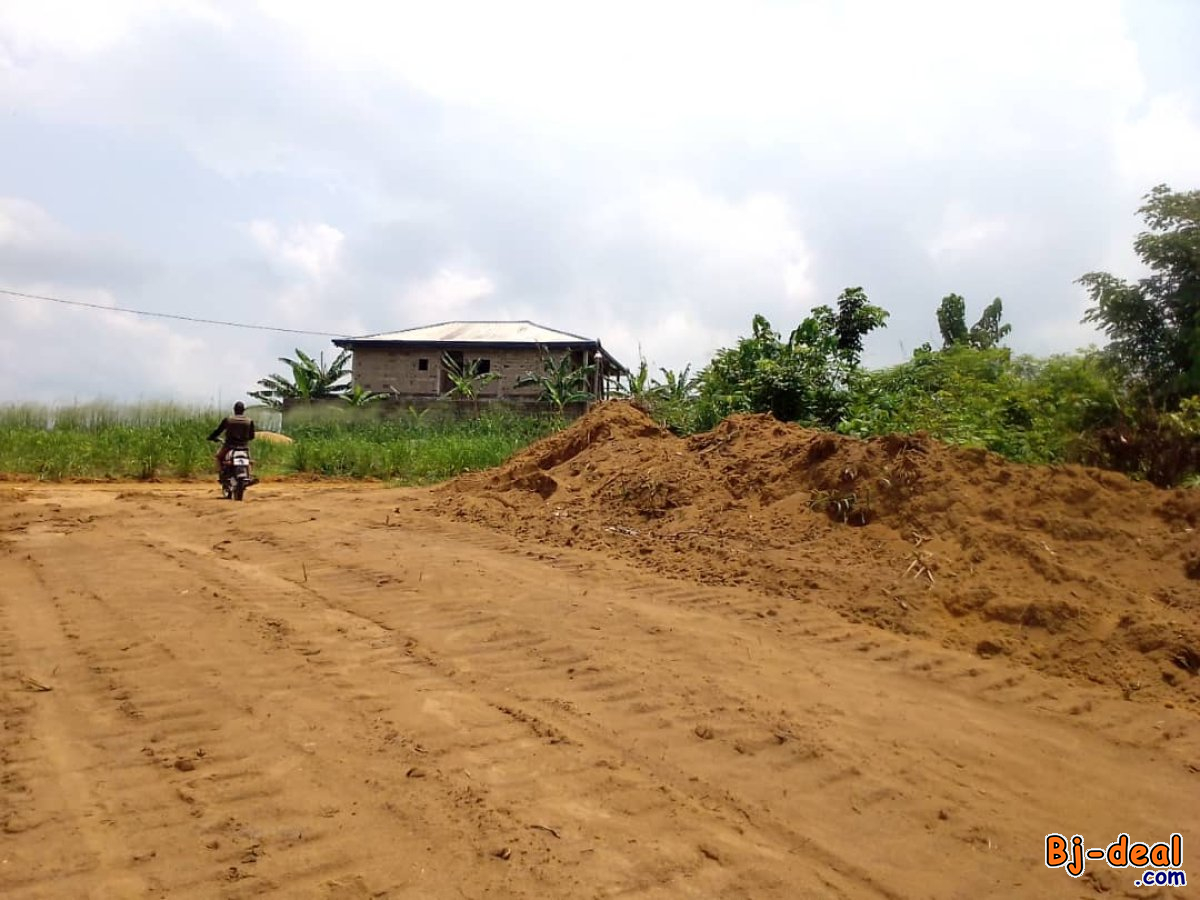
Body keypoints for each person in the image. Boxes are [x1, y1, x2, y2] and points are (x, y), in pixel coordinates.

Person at [208, 401, 256, 474]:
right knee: (249, 461)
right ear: (243, 410)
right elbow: (252, 436)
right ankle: (249, 474)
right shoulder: (249, 421)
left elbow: (218, 431)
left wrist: (211, 437)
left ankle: (221, 472)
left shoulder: (228, 419)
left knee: (218, 457)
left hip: (229, 446)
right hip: (244, 447)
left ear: (234, 410)